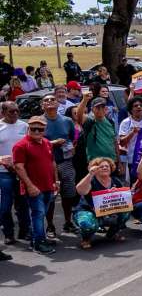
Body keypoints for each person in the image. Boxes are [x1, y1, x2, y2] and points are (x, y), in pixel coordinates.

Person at [12, 116, 58, 254]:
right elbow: (19, 167)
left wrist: (56, 181)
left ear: (45, 129)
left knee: (41, 214)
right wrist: (30, 186)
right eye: (33, 129)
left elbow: (52, 163)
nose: (37, 131)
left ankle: (37, 239)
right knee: (38, 214)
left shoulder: (47, 143)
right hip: (34, 188)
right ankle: (39, 243)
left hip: (48, 185)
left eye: (40, 129)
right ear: (28, 129)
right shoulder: (20, 146)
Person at [73, 157, 129, 249]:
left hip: (108, 212)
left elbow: (124, 201)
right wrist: (90, 174)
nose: (104, 168)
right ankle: (86, 239)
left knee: (126, 212)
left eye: (107, 166)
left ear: (111, 169)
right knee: (86, 223)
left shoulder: (115, 181)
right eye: (101, 166)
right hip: (88, 211)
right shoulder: (91, 181)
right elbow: (80, 190)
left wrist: (117, 193)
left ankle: (112, 233)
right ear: (95, 169)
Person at [42, 94, 78, 235]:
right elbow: (34, 142)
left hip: (65, 162)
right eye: (46, 100)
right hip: (46, 164)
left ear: (58, 104)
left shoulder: (67, 121)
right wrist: (53, 143)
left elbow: (71, 138)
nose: (50, 101)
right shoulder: (38, 121)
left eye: (53, 99)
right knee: (50, 196)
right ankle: (50, 226)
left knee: (68, 194)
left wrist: (70, 147)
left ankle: (68, 222)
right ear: (42, 105)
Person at [0, 102, 29, 246]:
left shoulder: (24, 126)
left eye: (17, 111)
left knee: (23, 204)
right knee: (5, 206)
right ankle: (8, 234)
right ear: (3, 112)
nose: (15, 114)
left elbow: (29, 147)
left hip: (21, 171)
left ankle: (25, 231)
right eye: (12, 111)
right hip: (3, 172)